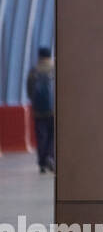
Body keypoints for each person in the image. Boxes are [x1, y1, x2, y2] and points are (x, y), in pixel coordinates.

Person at [26, 46, 55, 174]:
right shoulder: (54, 69)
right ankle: (50, 156)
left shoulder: (34, 70)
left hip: (38, 111)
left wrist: (34, 103)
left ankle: (42, 163)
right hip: (53, 110)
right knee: (53, 135)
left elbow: (29, 90)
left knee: (41, 136)